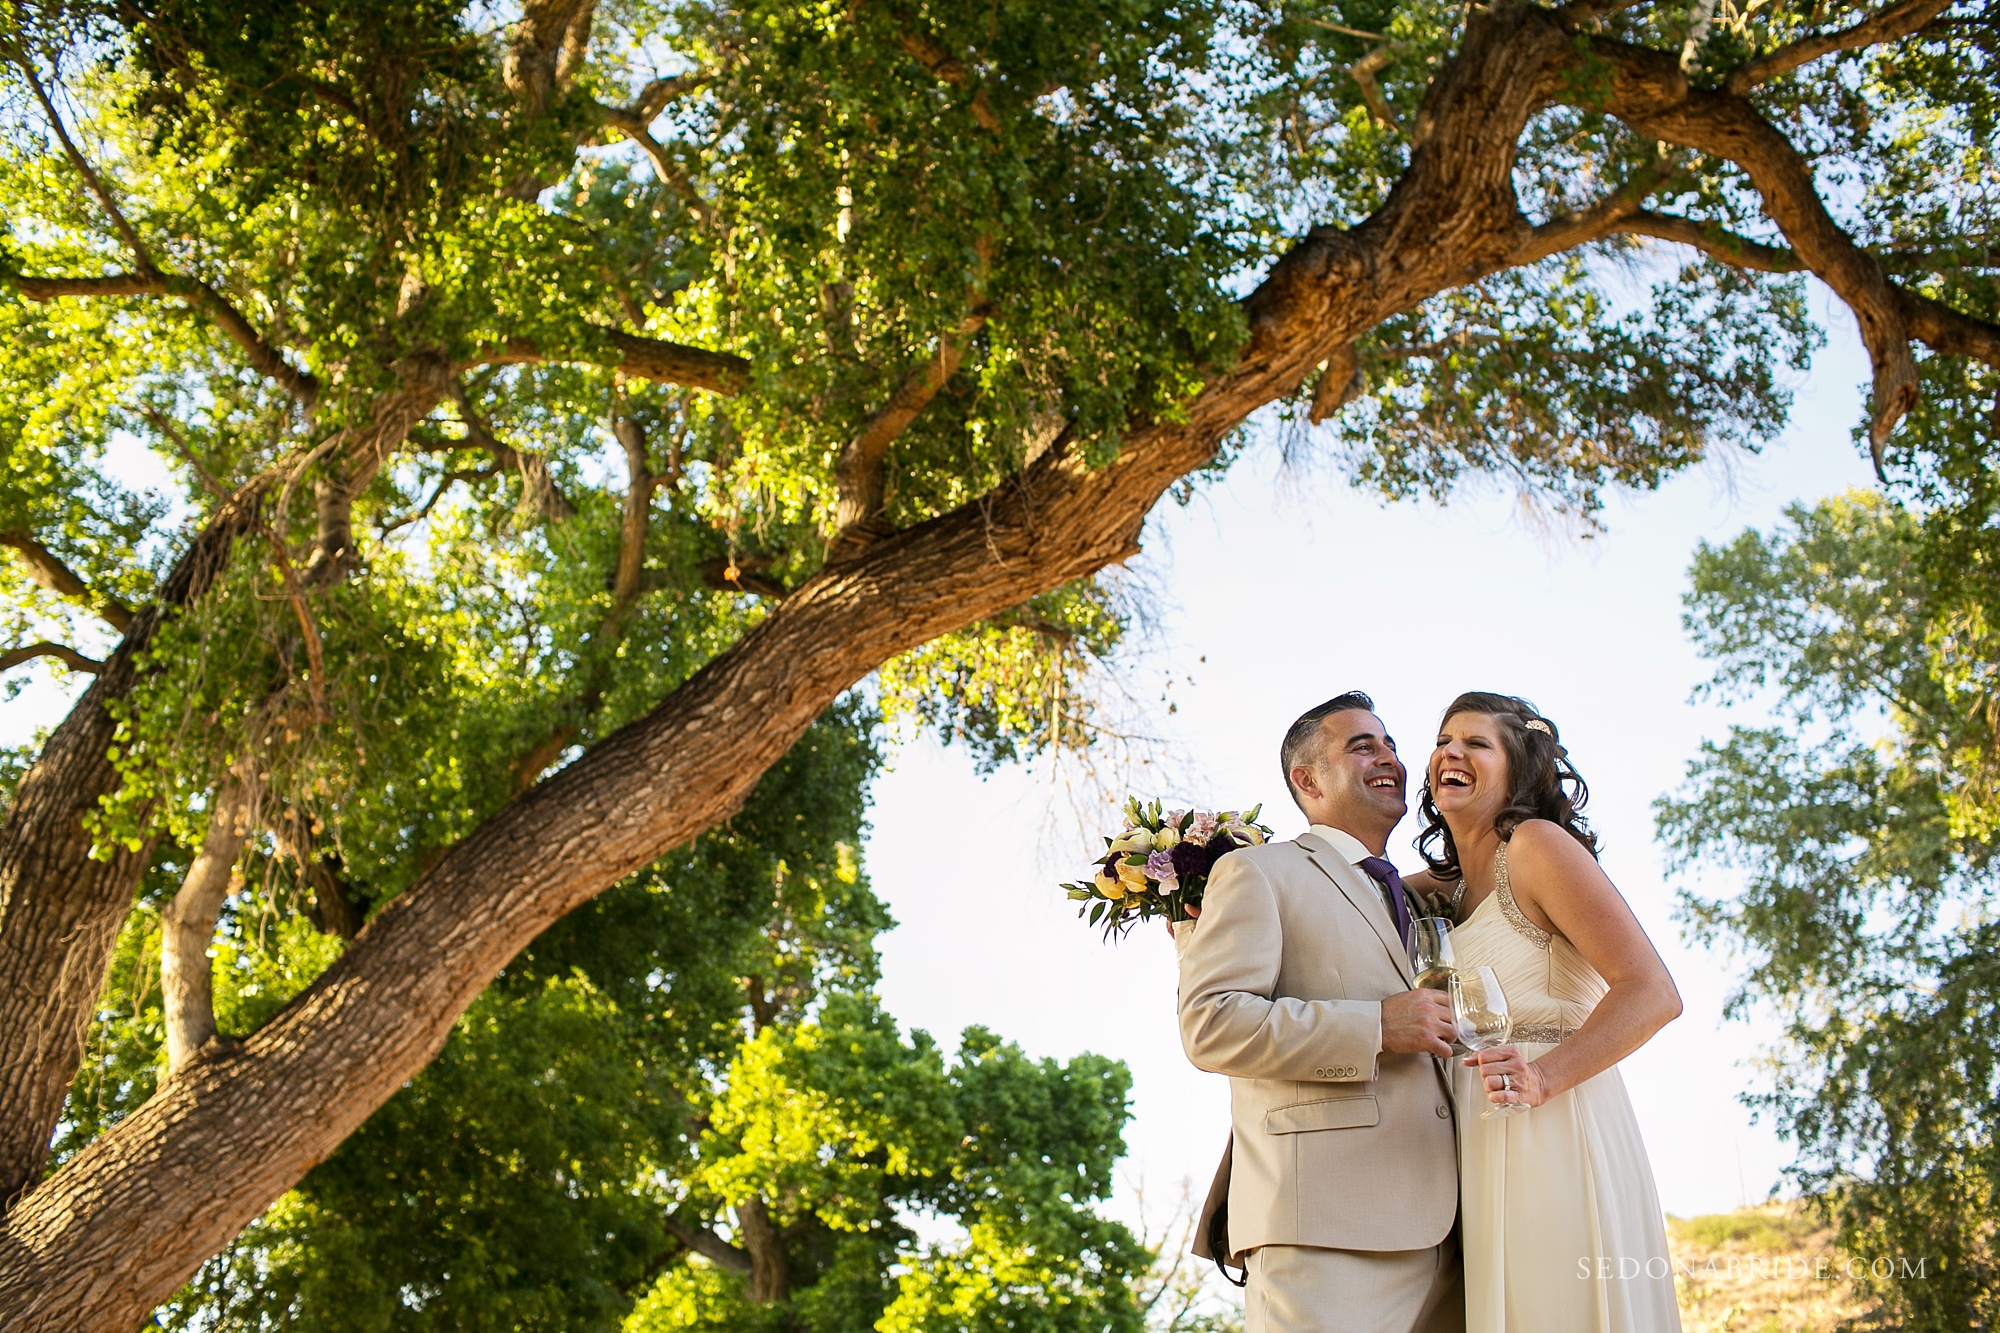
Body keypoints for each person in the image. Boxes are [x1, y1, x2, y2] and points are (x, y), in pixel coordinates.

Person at [1176, 692, 1464, 1333]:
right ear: (1307, 780)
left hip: (1455, 1236)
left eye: (1390, 743)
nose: (1389, 757)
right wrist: (1378, 1027)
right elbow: (1211, 1023)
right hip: (1324, 1227)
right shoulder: (1257, 872)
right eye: (1362, 745)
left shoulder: (1416, 901)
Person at [1407, 691, 1683, 1333]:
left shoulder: (1536, 845)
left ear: (1518, 769)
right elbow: (1333, 896)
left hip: (1552, 1115)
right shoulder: (1433, 889)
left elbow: (1652, 991)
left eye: (1477, 743)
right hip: (1471, 1129)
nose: (1452, 751)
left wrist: (1545, 1078)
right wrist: (1207, 896)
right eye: (1445, 740)